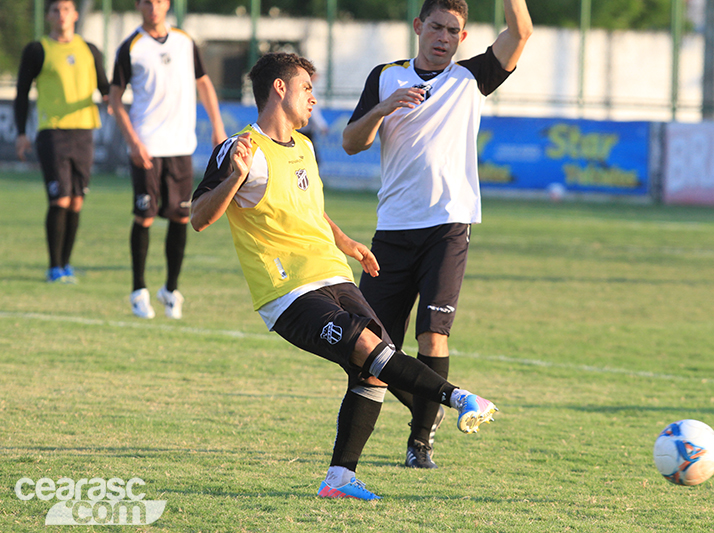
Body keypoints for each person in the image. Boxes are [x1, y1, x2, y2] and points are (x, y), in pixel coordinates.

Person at [191, 52, 497, 500]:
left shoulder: (305, 146)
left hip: (334, 275)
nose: (313, 99)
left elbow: (311, 211)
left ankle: (339, 479)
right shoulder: (241, 149)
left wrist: (346, 241)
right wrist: (234, 179)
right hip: (289, 291)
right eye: (307, 89)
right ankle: (460, 398)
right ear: (280, 88)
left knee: (371, 370)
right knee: (372, 349)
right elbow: (199, 216)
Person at [341, 0, 532, 469]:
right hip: (392, 230)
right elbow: (351, 143)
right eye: (437, 27)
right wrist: (383, 109)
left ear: (462, 38)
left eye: (453, 30)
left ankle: (420, 441)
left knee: (433, 337)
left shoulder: (471, 79)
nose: (444, 36)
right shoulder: (385, 76)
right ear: (418, 26)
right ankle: (435, 397)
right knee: (370, 349)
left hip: (448, 227)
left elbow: (521, 30)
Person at [109, 0, 226, 319]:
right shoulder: (130, 47)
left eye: (159, 1)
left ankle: (171, 290)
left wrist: (217, 127)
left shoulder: (185, 41)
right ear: (138, 5)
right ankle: (138, 291)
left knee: (179, 218)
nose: (153, 7)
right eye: (147, 1)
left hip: (180, 146)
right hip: (146, 145)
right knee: (144, 216)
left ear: (168, 4)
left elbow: (203, 83)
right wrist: (133, 141)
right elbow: (115, 99)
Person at [14, 0, 111, 283]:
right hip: (53, 133)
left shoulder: (90, 50)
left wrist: (114, 98)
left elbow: (104, 87)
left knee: (77, 201)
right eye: (55, 10)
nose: (61, 15)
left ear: (75, 14)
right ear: (48, 16)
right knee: (60, 198)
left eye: (66, 9)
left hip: (84, 133)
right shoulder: (37, 50)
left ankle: (66, 264)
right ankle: (54, 266)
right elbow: (21, 92)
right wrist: (22, 133)